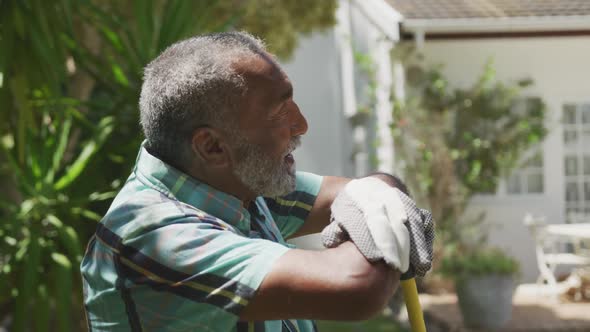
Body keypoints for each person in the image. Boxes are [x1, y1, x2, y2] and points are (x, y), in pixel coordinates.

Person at [80, 31, 433, 332]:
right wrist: (383, 215)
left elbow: (347, 191)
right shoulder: (155, 236)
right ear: (213, 146)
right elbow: (355, 288)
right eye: (279, 112)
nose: (301, 125)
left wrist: (373, 192)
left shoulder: (237, 185)